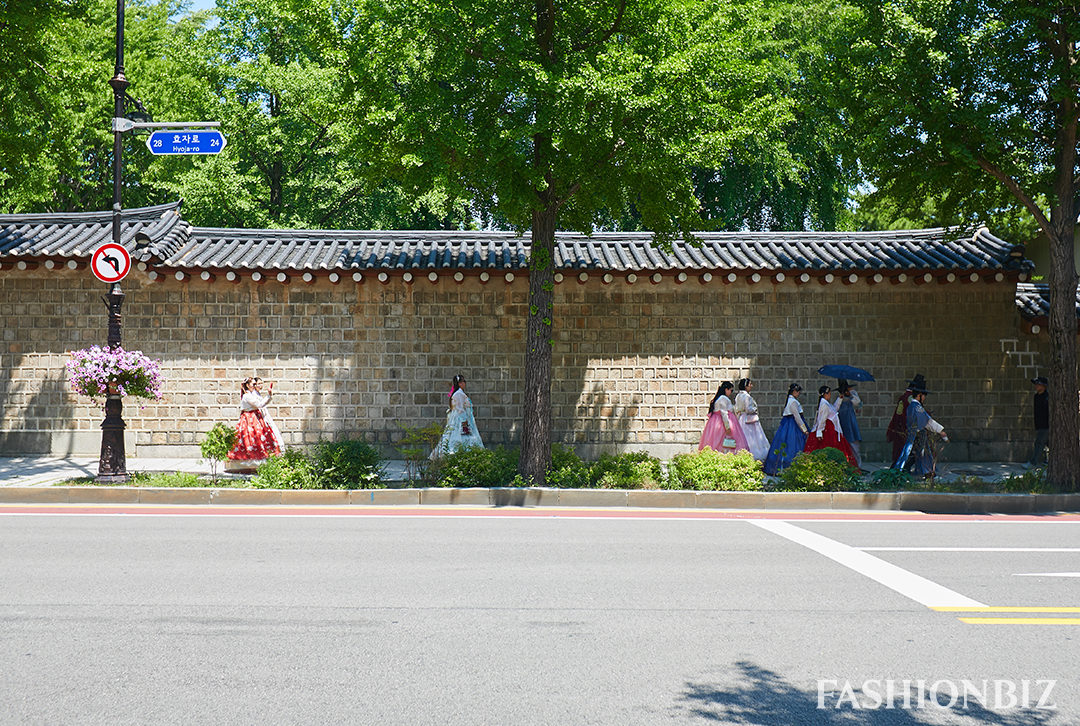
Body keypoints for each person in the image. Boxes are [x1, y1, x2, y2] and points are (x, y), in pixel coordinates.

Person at [226, 376, 284, 471]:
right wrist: (269, 395)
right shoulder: (247, 396)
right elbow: (259, 404)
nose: (254, 386)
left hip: (254, 417)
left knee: (259, 437)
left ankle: (261, 461)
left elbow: (261, 404)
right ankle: (248, 462)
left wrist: (269, 396)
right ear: (248, 385)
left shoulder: (252, 395)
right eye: (253, 384)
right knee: (249, 438)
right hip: (249, 419)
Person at [893, 380, 948, 477]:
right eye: (923, 396)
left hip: (913, 434)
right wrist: (940, 431)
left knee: (913, 453)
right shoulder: (917, 407)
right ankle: (901, 472)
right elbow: (927, 421)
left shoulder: (912, 406)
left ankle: (926, 472)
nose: (924, 398)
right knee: (919, 453)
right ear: (919, 395)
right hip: (917, 434)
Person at [803, 385, 859, 467]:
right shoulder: (824, 405)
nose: (830, 395)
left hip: (832, 429)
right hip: (827, 430)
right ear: (825, 394)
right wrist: (819, 432)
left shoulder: (826, 403)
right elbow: (821, 419)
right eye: (829, 393)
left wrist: (839, 399)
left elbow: (834, 409)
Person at [431, 375, 484, 458]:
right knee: (461, 435)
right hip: (460, 419)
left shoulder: (459, 393)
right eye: (463, 381)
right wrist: (464, 420)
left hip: (463, 417)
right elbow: (460, 408)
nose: (465, 383)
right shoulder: (458, 394)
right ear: (459, 383)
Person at [764, 383, 809, 475]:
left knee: (783, 445)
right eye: (798, 392)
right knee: (792, 445)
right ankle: (789, 467)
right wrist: (804, 429)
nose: (799, 394)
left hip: (787, 425)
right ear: (794, 392)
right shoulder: (793, 402)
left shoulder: (790, 401)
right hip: (792, 426)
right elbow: (797, 417)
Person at [698, 381, 750, 454]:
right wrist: (727, 427)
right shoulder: (723, 398)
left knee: (718, 442)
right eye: (731, 390)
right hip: (723, 423)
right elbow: (724, 413)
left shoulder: (719, 398)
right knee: (723, 442)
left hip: (717, 421)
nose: (731, 393)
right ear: (726, 389)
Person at [886, 374, 925, 465]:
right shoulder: (910, 398)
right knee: (909, 450)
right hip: (909, 428)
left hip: (902, 427)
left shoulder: (904, 396)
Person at [735, 378, 770, 461]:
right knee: (752, 437)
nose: (751, 386)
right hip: (748, 420)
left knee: (742, 436)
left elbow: (736, 408)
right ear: (746, 386)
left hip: (741, 418)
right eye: (750, 384)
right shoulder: (747, 396)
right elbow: (748, 409)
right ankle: (754, 455)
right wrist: (755, 409)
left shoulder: (738, 396)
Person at [836, 379, 863, 470]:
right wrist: (851, 391)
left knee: (854, 448)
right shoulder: (844, 402)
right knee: (854, 448)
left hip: (849, 427)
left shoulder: (846, 401)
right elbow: (857, 400)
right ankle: (856, 466)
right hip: (847, 427)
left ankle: (855, 466)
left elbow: (857, 401)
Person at [1026, 376, 1049, 467]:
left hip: (1046, 425)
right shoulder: (1036, 397)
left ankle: (1032, 462)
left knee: (1039, 443)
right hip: (1039, 424)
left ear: (1044, 386)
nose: (1035, 386)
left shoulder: (1047, 398)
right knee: (1049, 443)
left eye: (1038, 384)